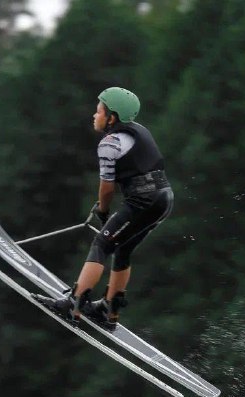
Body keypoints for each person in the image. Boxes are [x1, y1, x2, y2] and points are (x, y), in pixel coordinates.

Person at [32, 87, 173, 330]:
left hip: (144, 200)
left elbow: (106, 188)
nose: (94, 116)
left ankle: (73, 306)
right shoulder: (140, 131)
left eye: (99, 111)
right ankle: (109, 310)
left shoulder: (110, 143)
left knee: (102, 244)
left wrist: (104, 211)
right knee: (124, 249)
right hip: (164, 198)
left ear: (112, 117)